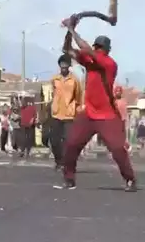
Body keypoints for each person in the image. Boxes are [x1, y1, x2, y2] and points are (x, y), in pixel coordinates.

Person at [58, 17, 137, 192]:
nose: (98, 51)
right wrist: (69, 32)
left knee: (117, 148)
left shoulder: (109, 64)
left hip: (107, 114)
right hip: (89, 113)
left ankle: (130, 179)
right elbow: (67, 49)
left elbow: (85, 49)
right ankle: (69, 179)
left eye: (100, 49)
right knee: (71, 144)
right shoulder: (89, 62)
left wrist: (72, 28)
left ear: (105, 51)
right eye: (97, 48)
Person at [50, 54, 82, 170]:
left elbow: (78, 96)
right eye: (61, 65)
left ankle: (66, 163)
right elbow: (52, 94)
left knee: (68, 141)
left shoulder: (75, 80)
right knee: (54, 140)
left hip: (69, 114)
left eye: (65, 65)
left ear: (69, 66)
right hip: (56, 113)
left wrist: (77, 109)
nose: (63, 67)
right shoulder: (54, 79)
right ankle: (58, 161)